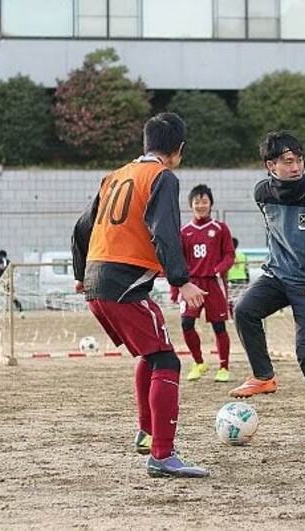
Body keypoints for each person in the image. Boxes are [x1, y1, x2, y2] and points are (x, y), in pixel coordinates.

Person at [71, 112, 209, 479]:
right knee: (168, 361)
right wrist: (183, 280)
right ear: (178, 149)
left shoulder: (115, 176)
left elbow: (81, 227)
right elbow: (164, 231)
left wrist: (79, 274)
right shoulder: (162, 177)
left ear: (145, 143)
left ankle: (148, 434)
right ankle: (162, 455)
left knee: (151, 355)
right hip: (124, 282)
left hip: (97, 280)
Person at [229, 131, 305, 448]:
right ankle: (264, 376)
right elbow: (277, 234)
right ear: (271, 165)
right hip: (278, 275)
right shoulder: (262, 194)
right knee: (244, 310)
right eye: (288, 161)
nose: (296, 167)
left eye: (299, 160)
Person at [179, 183, 236, 383]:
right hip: (191, 284)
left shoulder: (220, 228)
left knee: (219, 326)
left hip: (214, 284)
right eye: (197, 202)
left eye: (204, 201)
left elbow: (230, 254)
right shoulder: (184, 231)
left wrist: (217, 269)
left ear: (211, 204)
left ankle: (223, 367)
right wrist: (175, 286)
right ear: (190, 205)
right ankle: (198, 362)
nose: (201, 205)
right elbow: (179, 260)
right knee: (186, 323)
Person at [226, 237, 250, 316]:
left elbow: (225, 269)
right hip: (242, 278)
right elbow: (246, 268)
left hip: (232, 279)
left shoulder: (228, 256)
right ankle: (241, 314)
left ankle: (233, 316)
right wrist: (247, 279)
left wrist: (225, 279)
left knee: (231, 298)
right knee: (241, 298)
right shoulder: (242, 255)